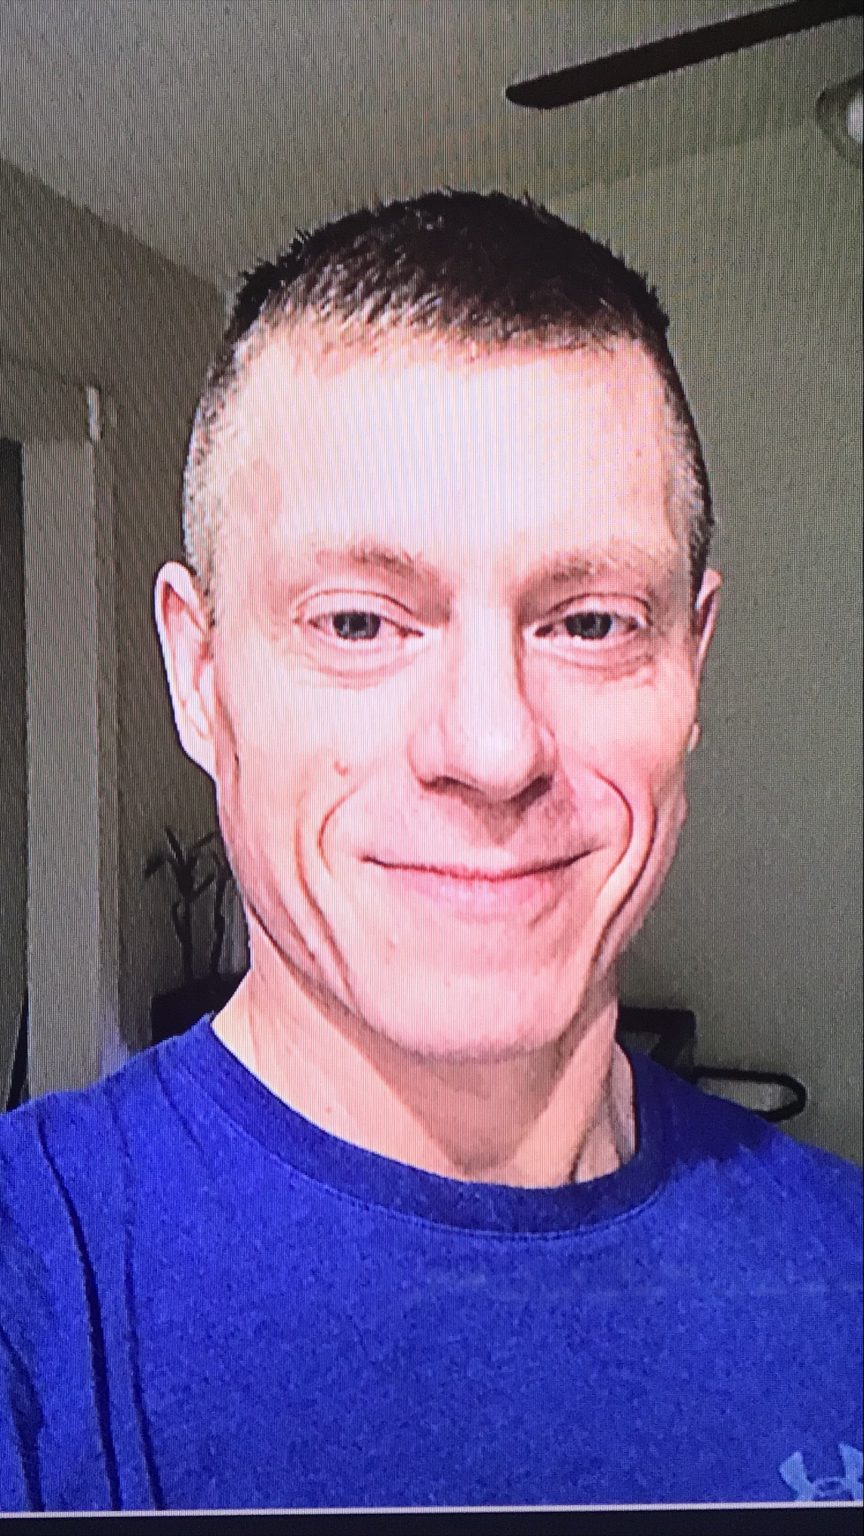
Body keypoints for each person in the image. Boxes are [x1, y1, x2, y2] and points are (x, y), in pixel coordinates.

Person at [0, 190, 860, 1512]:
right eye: (359, 622)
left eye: (589, 622)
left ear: (692, 665)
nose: (494, 747)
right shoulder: (35, 1295)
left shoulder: (840, 1276)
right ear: (200, 678)